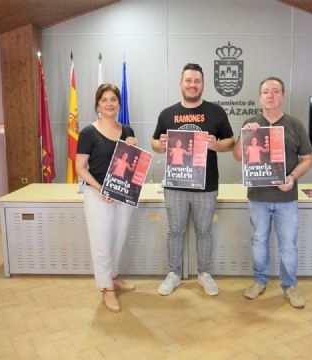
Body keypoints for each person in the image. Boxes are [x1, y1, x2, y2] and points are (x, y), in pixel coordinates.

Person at [151, 63, 235, 296]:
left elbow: (231, 141)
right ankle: (174, 274)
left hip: (206, 185)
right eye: (188, 80)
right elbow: (154, 142)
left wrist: (216, 145)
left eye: (197, 81)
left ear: (203, 84)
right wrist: (161, 145)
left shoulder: (216, 112)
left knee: (204, 231)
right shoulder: (167, 113)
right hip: (176, 185)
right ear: (181, 84)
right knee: (175, 231)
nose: (192, 85)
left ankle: (204, 273)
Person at [232, 77, 312, 309]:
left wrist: (293, 177)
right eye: (266, 91)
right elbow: (238, 155)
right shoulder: (250, 123)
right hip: (257, 198)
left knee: (288, 244)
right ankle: (259, 281)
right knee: (259, 241)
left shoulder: (295, 124)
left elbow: (308, 158)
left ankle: (290, 286)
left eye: (275, 91)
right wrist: (243, 134)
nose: (270, 95)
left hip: (286, 198)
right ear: (260, 97)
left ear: (283, 96)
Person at [76, 83, 137, 313]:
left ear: (119, 104)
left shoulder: (128, 130)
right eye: (104, 100)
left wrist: (134, 147)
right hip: (97, 195)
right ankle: (106, 289)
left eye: (113, 99)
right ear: (98, 104)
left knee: (118, 238)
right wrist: (100, 188)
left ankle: (114, 276)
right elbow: (80, 167)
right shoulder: (88, 133)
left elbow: (132, 164)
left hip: (123, 194)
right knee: (101, 242)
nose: (109, 103)